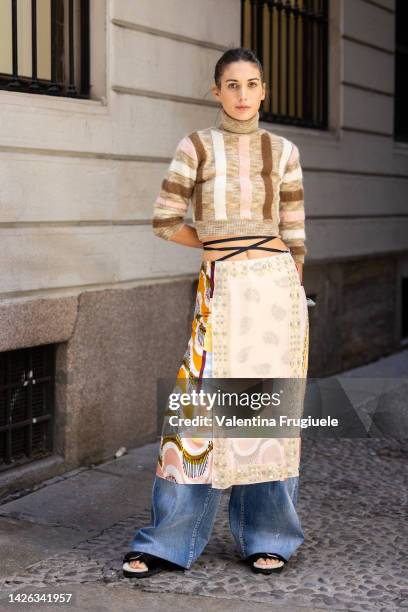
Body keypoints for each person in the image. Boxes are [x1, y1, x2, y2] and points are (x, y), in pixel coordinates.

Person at [123, 47, 309, 579]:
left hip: (276, 295)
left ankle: (268, 536)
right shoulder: (196, 147)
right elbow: (164, 220)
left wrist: (293, 294)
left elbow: (295, 233)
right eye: (232, 85)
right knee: (197, 414)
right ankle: (167, 539)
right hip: (222, 290)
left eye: (253, 84)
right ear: (216, 91)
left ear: (264, 90)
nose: (243, 95)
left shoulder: (285, 151)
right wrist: (208, 248)